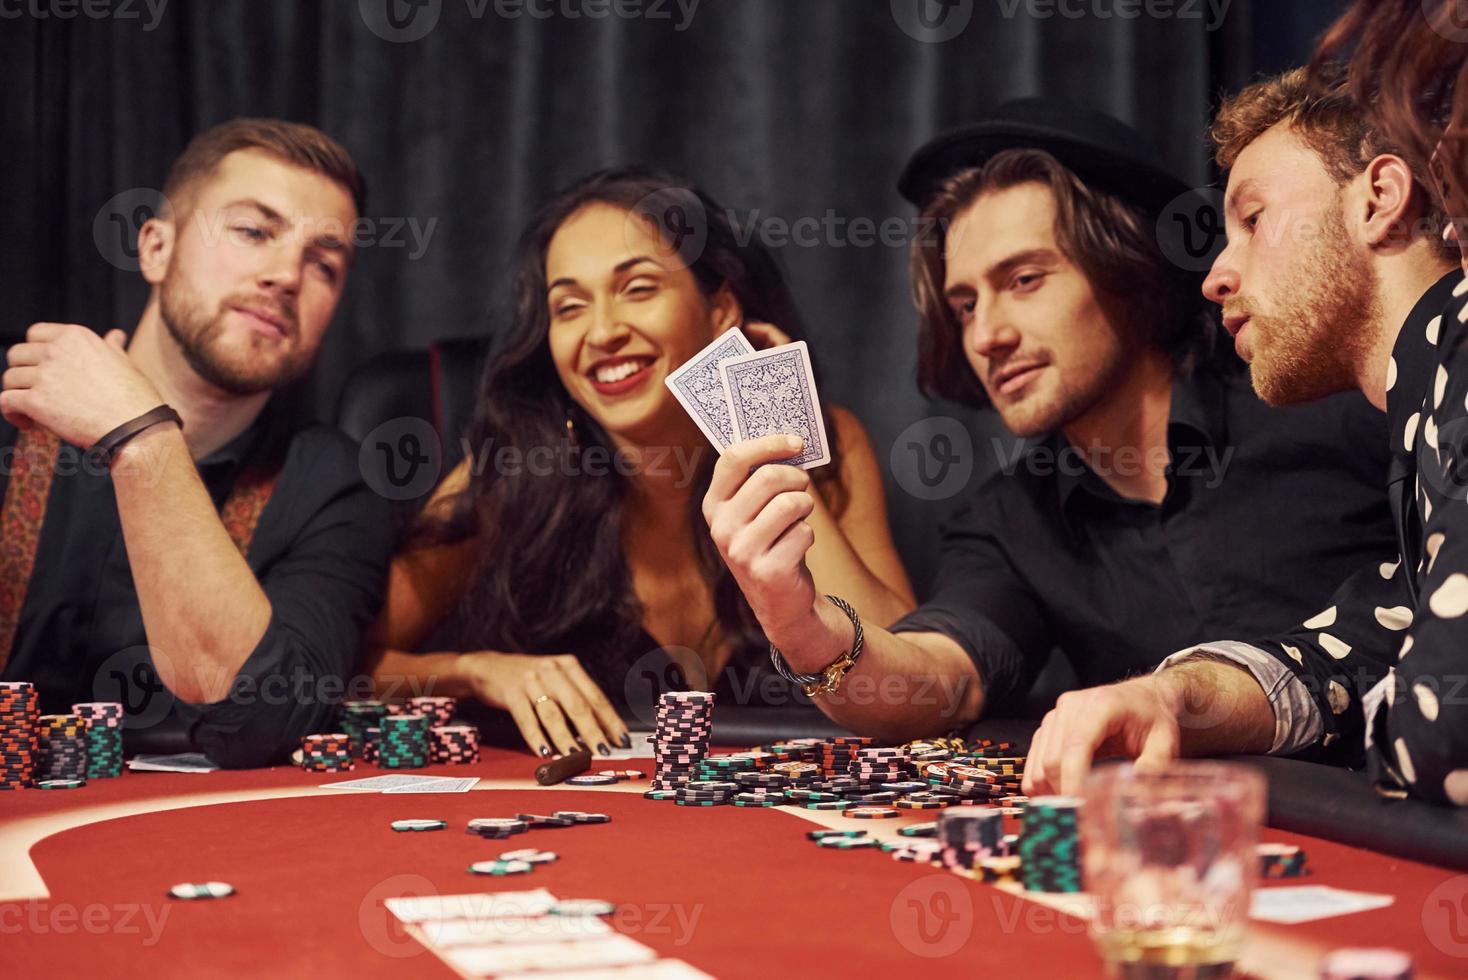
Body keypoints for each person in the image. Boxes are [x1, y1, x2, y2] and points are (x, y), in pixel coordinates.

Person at [702, 99, 1399, 743]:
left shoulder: (1339, 410)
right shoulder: (1009, 520)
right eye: (966, 305)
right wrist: (797, 622)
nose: (986, 335)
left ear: (1129, 268)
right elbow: (932, 680)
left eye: (1025, 280)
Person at [1021, 68, 1466, 804]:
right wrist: (1166, 698)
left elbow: (1446, 729)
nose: (1216, 275)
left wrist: (1378, 707)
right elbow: (1346, 654)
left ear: (1380, 201)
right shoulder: (1427, 403)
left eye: (1252, 219)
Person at [366, 167, 915, 758]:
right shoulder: (510, 472)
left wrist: (769, 434)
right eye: (569, 306)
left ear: (721, 308)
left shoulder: (832, 444)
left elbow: (909, 677)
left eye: (638, 288)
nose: (602, 331)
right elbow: (350, 664)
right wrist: (479, 672)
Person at [0, 118, 395, 767]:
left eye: (323, 263)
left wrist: (145, 439)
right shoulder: (12, 395)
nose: (287, 275)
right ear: (155, 247)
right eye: (253, 231)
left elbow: (267, 723)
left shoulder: (337, 485)